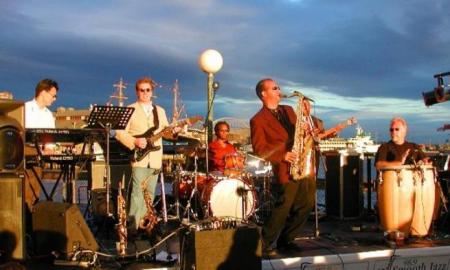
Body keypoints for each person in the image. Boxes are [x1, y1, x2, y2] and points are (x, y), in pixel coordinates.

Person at [250, 78, 327, 257]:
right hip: (286, 167)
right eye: (275, 88)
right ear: (264, 94)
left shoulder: (289, 110)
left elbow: (302, 131)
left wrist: (308, 121)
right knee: (283, 206)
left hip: (303, 163)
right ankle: (265, 243)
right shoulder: (257, 120)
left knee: (306, 204)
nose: (280, 90)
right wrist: (282, 155)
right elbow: (259, 149)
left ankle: (287, 240)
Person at [115, 76, 171, 232]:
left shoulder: (160, 111)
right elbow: (119, 133)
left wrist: (175, 131)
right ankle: (132, 228)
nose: (145, 93)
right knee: (136, 193)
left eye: (148, 90)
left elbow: (166, 132)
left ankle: (146, 226)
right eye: (142, 90)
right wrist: (134, 141)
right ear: (137, 92)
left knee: (150, 194)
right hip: (139, 158)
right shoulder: (130, 109)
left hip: (154, 159)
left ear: (152, 91)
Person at [24, 78, 59, 211]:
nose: (54, 99)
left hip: (38, 152)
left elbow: (50, 138)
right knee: (24, 186)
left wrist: (49, 149)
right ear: (43, 93)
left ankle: (33, 214)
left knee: (35, 187)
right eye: (53, 95)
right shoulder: (25, 108)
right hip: (24, 150)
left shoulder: (49, 115)